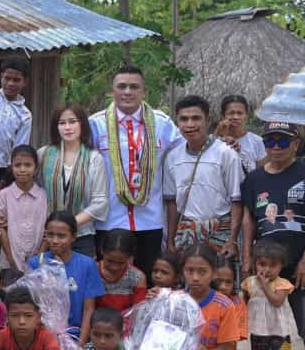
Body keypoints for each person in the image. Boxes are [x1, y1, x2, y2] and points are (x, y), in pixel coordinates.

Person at [89, 65, 183, 277]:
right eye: (122, 86)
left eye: (134, 87)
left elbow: (185, 154)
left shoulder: (162, 124)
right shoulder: (96, 124)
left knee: (147, 279)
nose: (127, 92)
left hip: (149, 219)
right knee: (109, 279)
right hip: (109, 219)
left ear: (144, 91)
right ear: (112, 90)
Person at [240, 121, 305, 339]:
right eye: (270, 141)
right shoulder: (254, 178)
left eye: (283, 141)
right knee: (265, 324)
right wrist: (247, 256)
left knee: (303, 322)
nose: (276, 147)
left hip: (299, 262)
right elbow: (248, 218)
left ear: (296, 144)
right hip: (265, 263)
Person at [164, 95, 243, 255]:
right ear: (177, 122)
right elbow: (172, 203)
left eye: (196, 118)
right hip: (186, 234)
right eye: (184, 119)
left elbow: (237, 200)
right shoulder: (172, 158)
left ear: (207, 120)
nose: (190, 124)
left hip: (221, 233)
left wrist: (232, 240)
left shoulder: (226, 153)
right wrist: (171, 241)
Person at [38, 103, 109, 257]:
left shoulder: (94, 158)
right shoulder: (44, 155)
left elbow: (100, 202)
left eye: (72, 122)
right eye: (62, 123)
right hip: (49, 237)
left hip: (82, 235)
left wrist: (69, 224)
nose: (67, 127)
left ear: (82, 124)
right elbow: (34, 190)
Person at [28, 212, 104, 343]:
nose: (55, 241)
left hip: (75, 335)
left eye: (61, 236)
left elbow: (88, 309)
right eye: (50, 235)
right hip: (42, 336)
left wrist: (80, 344)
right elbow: (31, 305)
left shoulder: (86, 265)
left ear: (73, 237)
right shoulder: (35, 263)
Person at [243, 240, 296, 350]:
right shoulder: (249, 283)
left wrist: (265, 286)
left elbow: (276, 301)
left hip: (278, 332)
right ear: (255, 264)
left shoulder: (282, 284)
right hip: (258, 330)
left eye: (272, 265)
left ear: (281, 266)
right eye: (262, 264)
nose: (266, 269)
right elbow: (245, 300)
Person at [0, 55, 33, 187]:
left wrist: (1, 184)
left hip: (0, 170)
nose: (10, 83)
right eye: (7, 78)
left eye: (16, 80)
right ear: (1, 77)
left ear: (25, 82)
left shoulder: (25, 116)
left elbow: (18, 153)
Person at [0, 145, 47, 274]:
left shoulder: (43, 195)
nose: (22, 170)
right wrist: (11, 260)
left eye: (28, 165)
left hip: (37, 262)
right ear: (11, 167)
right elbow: (1, 229)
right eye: (17, 165)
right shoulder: (4, 194)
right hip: (9, 262)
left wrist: (38, 259)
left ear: (36, 169)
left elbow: (47, 231)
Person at [96, 229, 148, 312]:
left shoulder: (138, 277)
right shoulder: (91, 271)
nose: (114, 267)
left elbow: (138, 310)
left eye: (121, 263)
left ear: (130, 257)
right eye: (109, 261)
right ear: (102, 251)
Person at [214, 255, 246, 350]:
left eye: (228, 282)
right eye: (219, 281)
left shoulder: (237, 303)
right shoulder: (201, 299)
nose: (223, 287)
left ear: (234, 282)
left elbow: (232, 342)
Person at [218, 95, 266, 174]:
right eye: (231, 113)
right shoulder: (214, 141)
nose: (235, 117)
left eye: (240, 113)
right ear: (223, 116)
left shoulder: (257, 142)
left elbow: (261, 174)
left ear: (246, 116)